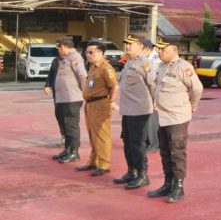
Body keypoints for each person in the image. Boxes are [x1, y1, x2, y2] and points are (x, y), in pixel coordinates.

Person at [147, 38, 203, 203]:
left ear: (174, 49)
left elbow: (197, 88)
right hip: (163, 117)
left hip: (177, 117)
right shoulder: (162, 66)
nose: (160, 52)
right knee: (164, 151)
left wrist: (192, 106)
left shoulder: (183, 67)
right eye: (159, 49)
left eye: (163, 49)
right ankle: (168, 184)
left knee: (177, 152)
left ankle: (179, 187)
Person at [114, 35, 156, 189]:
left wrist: (154, 104)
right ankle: (131, 171)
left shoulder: (145, 63)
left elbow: (153, 85)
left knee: (137, 143)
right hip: (127, 109)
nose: (127, 47)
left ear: (140, 46)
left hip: (140, 109)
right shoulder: (129, 62)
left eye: (130, 44)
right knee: (127, 141)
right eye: (126, 44)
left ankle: (142, 175)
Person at [75, 41, 119, 176]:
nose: (87, 55)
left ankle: (104, 164)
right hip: (90, 104)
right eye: (86, 52)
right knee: (92, 134)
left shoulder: (106, 68)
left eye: (91, 52)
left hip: (100, 104)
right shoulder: (93, 67)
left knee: (101, 135)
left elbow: (114, 86)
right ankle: (93, 161)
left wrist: (111, 101)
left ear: (100, 53)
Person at [53, 36, 87, 164]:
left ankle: (74, 152)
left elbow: (82, 75)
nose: (58, 50)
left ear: (63, 47)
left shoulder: (75, 57)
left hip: (71, 98)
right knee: (65, 125)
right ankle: (67, 149)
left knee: (71, 126)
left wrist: (84, 92)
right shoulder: (65, 58)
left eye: (59, 47)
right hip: (62, 99)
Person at [142, 39, 161, 153]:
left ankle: (154, 144)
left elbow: (152, 79)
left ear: (147, 49)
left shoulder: (153, 60)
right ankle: (150, 142)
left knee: (152, 121)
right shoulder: (149, 59)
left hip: (153, 93)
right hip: (148, 93)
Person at [44, 54, 65, 149]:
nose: (60, 50)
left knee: (69, 117)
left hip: (69, 94)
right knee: (59, 115)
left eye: (61, 47)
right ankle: (64, 137)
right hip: (57, 93)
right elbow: (51, 74)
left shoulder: (73, 60)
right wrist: (47, 85)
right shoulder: (55, 61)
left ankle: (71, 141)